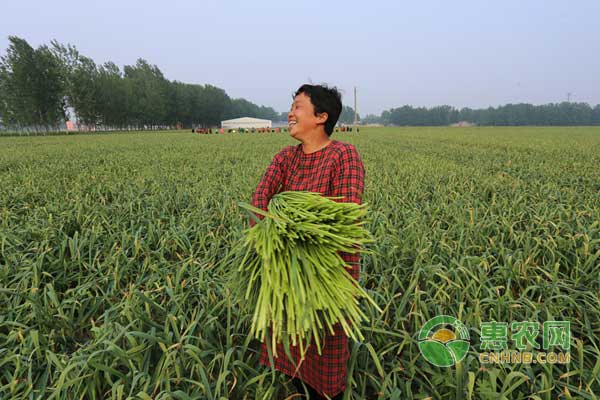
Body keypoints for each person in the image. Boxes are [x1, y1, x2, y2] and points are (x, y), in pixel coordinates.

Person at [249, 84, 365, 399]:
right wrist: (280, 227)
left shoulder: (344, 155)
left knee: (326, 375)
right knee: (292, 360)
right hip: (284, 281)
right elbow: (259, 202)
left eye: (298, 106)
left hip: (325, 282)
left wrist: (283, 223)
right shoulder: (285, 158)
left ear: (321, 117)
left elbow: (343, 217)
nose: (290, 113)